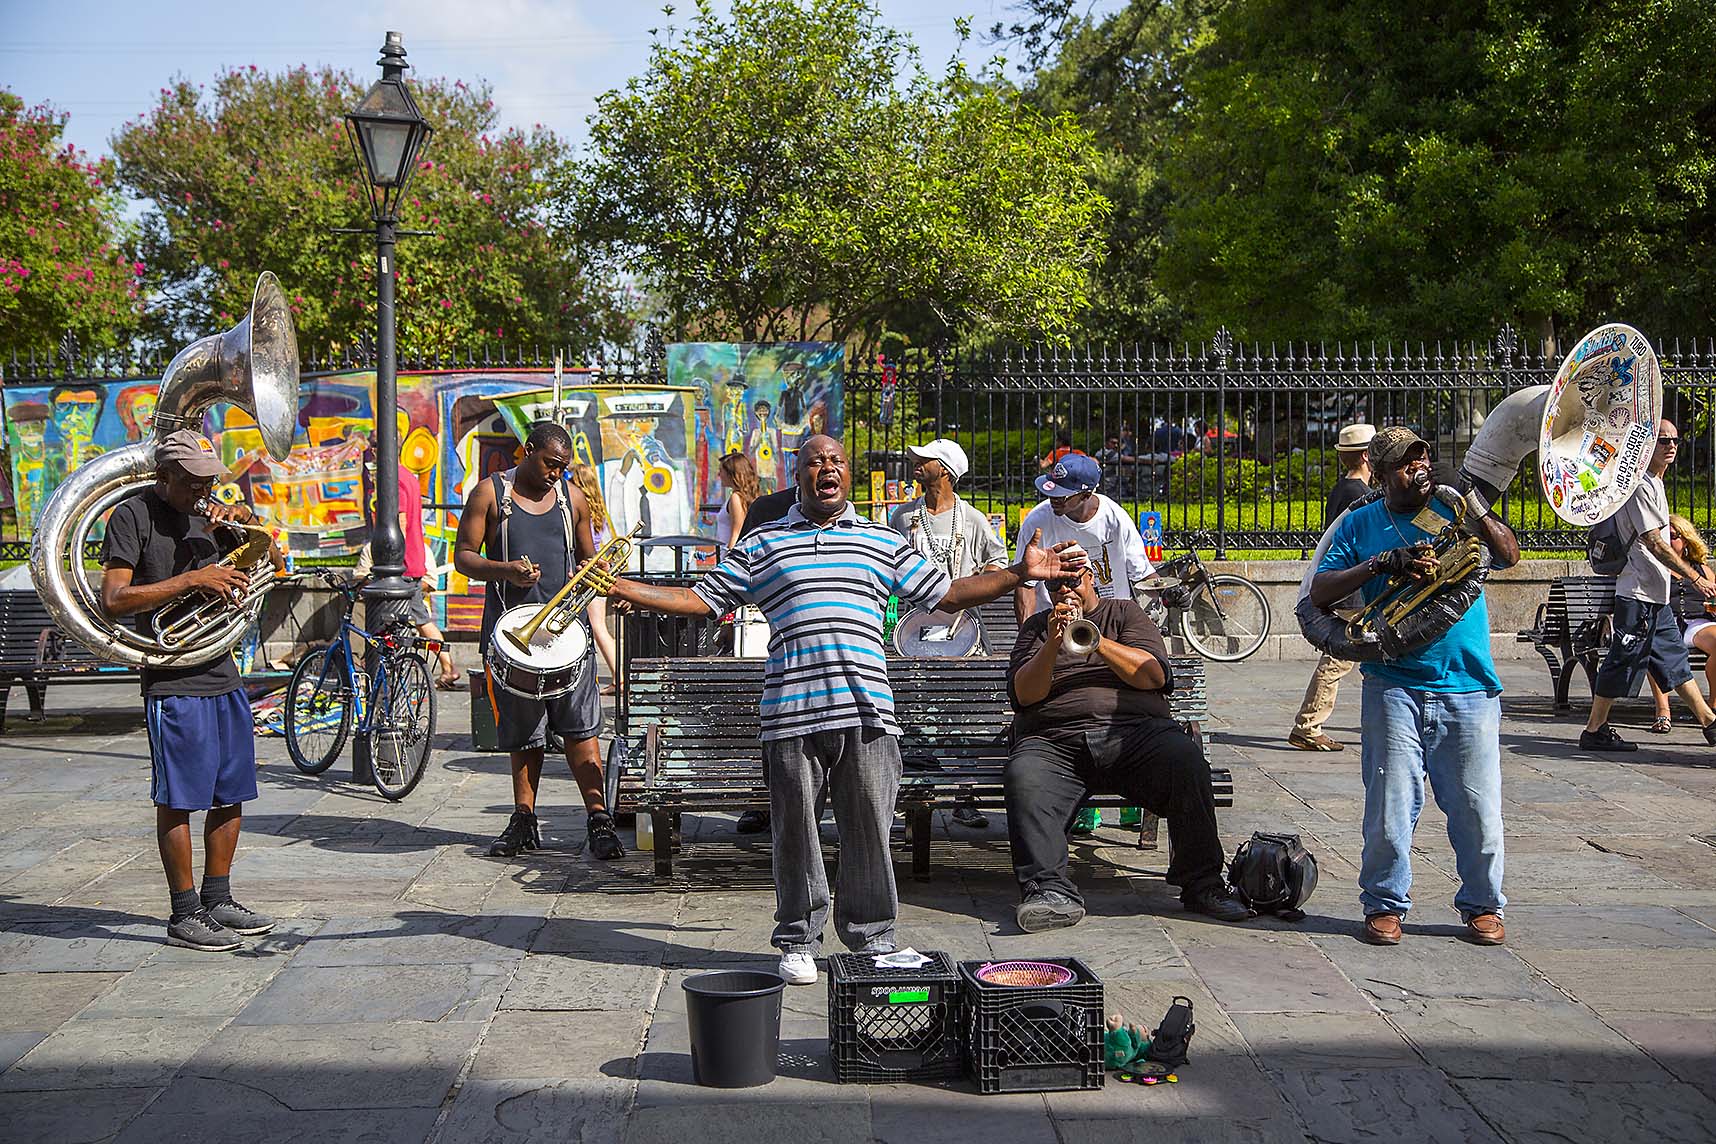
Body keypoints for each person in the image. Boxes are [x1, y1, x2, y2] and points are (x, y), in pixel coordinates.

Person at [605, 435, 1084, 986]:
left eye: (835, 461)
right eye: (814, 462)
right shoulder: (763, 543)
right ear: (799, 475)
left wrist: (1023, 573)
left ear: (847, 474)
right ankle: (797, 939)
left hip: (868, 711)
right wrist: (632, 589)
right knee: (795, 832)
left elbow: (948, 595)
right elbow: (703, 597)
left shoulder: (882, 541)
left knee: (869, 831)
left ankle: (875, 938)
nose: (826, 469)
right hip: (790, 711)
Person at [1309, 427, 1520, 947]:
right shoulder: (1360, 523)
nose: (1418, 468)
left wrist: (1470, 499)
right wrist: (1382, 564)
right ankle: (1384, 903)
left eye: (1423, 458)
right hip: (1392, 683)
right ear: (1380, 476)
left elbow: (1509, 554)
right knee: (1389, 806)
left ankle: (1483, 905)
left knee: (1477, 810)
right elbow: (1320, 590)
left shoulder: (1452, 510)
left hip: (1467, 683)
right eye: (1405, 464)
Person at [100, 430, 280, 952]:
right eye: (192, 484)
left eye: (208, 483)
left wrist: (249, 533)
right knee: (180, 799)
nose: (203, 494)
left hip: (220, 668)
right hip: (172, 676)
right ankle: (183, 912)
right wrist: (191, 581)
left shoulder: (211, 515)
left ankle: (218, 898)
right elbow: (114, 598)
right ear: (165, 476)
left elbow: (268, 570)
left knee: (232, 791)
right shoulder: (133, 516)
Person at [1005, 566, 1252, 930]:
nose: (1063, 591)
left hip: (1134, 733)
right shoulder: (1036, 628)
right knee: (1024, 775)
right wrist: (1054, 644)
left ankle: (1202, 884)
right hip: (1055, 739)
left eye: (1071, 580)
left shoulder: (1124, 613)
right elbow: (1024, 695)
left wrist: (1096, 641)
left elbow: (1154, 675)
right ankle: (1049, 890)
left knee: (1185, 762)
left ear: (1090, 578)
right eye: (1053, 584)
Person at [454, 422, 624, 862]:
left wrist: (605, 585)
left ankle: (599, 818)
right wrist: (506, 570)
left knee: (581, 729)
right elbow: (464, 557)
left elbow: (590, 561)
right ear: (526, 452)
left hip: (568, 632)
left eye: (563, 467)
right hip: (513, 633)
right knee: (524, 733)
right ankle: (524, 819)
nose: (556, 474)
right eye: (550, 463)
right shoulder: (491, 494)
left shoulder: (574, 499)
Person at [888, 439, 1008, 829]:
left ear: (946, 469)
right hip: (913, 627)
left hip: (962, 629)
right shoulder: (903, 517)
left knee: (963, 712)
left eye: (925, 460)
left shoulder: (971, 519)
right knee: (911, 711)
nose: (916, 464)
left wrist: (973, 584)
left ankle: (964, 795)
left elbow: (998, 563)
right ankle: (914, 796)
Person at [1582, 421, 1716, 752]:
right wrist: (1695, 577)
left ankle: (1710, 723)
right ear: (1645, 445)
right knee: (1621, 660)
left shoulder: (1655, 482)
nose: (1671, 446)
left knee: (1673, 661)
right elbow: (1654, 542)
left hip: (1656, 595)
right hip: (1637, 594)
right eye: (1662, 441)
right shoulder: (1639, 485)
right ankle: (1594, 730)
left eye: (1674, 440)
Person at [1288, 423, 1375, 751]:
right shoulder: (1359, 494)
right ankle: (1308, 725)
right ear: (1368, 456)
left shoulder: (1343, 488)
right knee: (1342, 654)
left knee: (1365, 652)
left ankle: (1378, 717)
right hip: (1350, 585)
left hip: (1341, 581)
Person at [1014, 454, 1153, 624]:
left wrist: (1169, 593)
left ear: (1086, 495)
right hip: (1055, 620)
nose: (1053, 500)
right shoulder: (1036, 521)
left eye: (1061, 495)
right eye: (1051, 492)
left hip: (1109, 619)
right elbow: (1026, 584)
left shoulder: (1115, 518)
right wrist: (1026, 637)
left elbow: (1141, 573)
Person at [1647, 516, 1716, 732]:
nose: (1668, 540)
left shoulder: (1702, 569)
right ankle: (1663, 712)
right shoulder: (1654, 566)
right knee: (1654, 647)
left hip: (1697, 622)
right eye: (1664, 536)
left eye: (1673, 536)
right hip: (1667, 622)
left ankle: (1712, 707)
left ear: (1686, 541)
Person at [569, 462, 621, 697]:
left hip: (591, 573)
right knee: (597, 626)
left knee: (598, 626)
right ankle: (618, 677)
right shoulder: (598, 508)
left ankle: (620, 678)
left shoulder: (580, 508)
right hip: (600, 572)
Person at [716, 451, 761, 552]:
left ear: (731, 474)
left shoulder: (736, 497)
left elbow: (736, 533)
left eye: (721, 471)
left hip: (730, 557)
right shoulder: (742, 496)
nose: (719, 475)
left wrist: (729, 559)